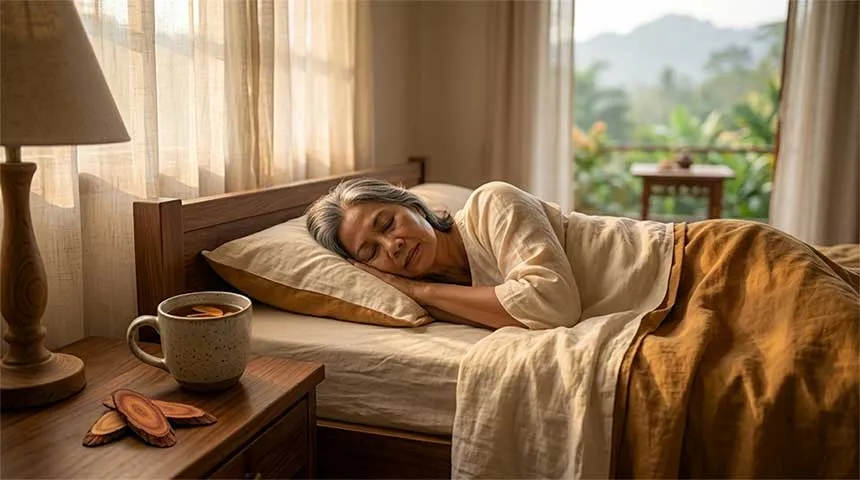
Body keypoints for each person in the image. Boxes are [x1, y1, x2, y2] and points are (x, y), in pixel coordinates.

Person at [305, 179, 677, 330]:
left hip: (681, 258)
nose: (393, 245)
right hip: (661, 303)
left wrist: (421, 292)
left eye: (387, 223)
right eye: (371, 251)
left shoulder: (491, 202)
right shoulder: (443, 297)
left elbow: (553, 305)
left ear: (413, 206)